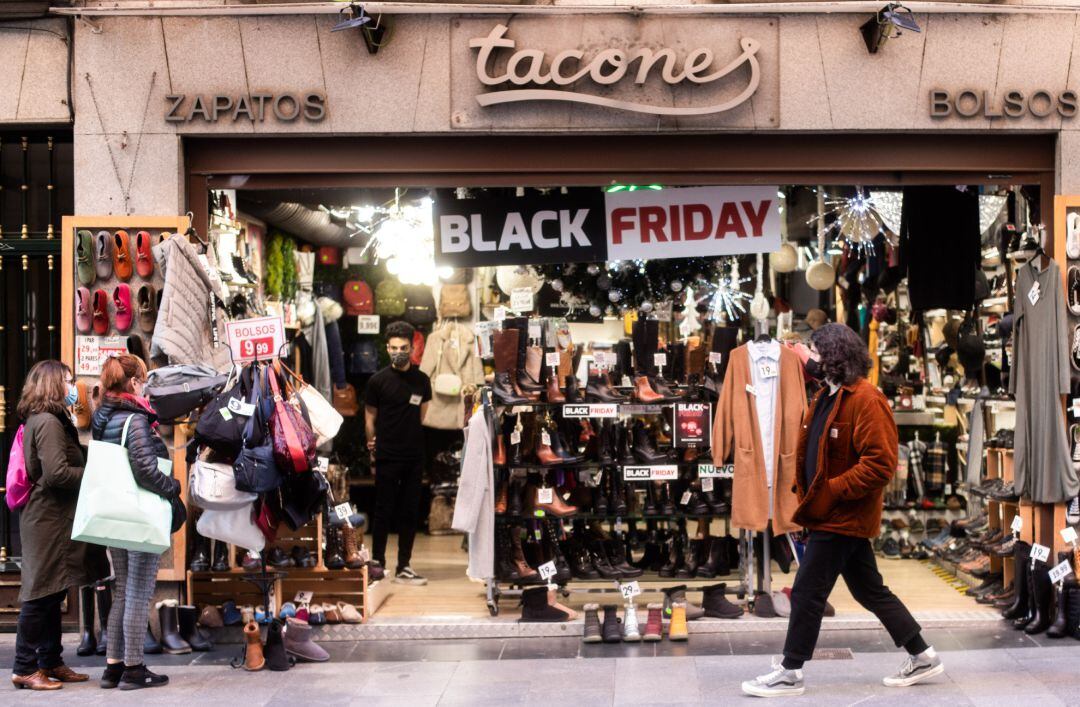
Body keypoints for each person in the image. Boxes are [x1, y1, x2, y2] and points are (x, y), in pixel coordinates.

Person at [742, 324, 943, 698]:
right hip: (827, 513)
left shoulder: (866, 399)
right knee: (871, 591)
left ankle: (790, 670)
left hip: (842, 516)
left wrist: (831, 492)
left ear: (834, 357)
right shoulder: (827, 396)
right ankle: (923, 654)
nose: (809, 359)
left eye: (815, 353)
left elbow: (880, 464)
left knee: (806, 592)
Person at [12, 361, 110, 690]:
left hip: (53, 518)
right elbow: (57, 474)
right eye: (69, 381)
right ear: (54, 386)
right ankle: (24, 666)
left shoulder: (50, 420)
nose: (74, 387)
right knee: (40, 593)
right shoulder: (48, 423)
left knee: (53, 592)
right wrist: (96, 475)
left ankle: (50, 661)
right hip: (47, 520)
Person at [91, 354, 182, 690]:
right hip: (139, 516)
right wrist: (172, 487)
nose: (146, 386)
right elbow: (145, 469)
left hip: (116, 514)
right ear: (133, 383)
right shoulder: (136, 419)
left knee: (122, 590)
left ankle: (113, 667)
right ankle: (133, 668)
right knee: (139, 592)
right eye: (143, 379)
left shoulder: (103, 415)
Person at [365, 320, 432, 586]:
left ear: (412, 346)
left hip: (414, 455)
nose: (398, 352)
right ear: (387, 348)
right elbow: (369, 418)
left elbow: (422, 415)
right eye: (393, 348)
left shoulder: (422, 380)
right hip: (386, 455)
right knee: (383, 510)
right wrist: (371, 445)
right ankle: (378, 564)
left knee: (410, 511)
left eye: (403, 347)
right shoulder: (377, 381)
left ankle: (404, 565)